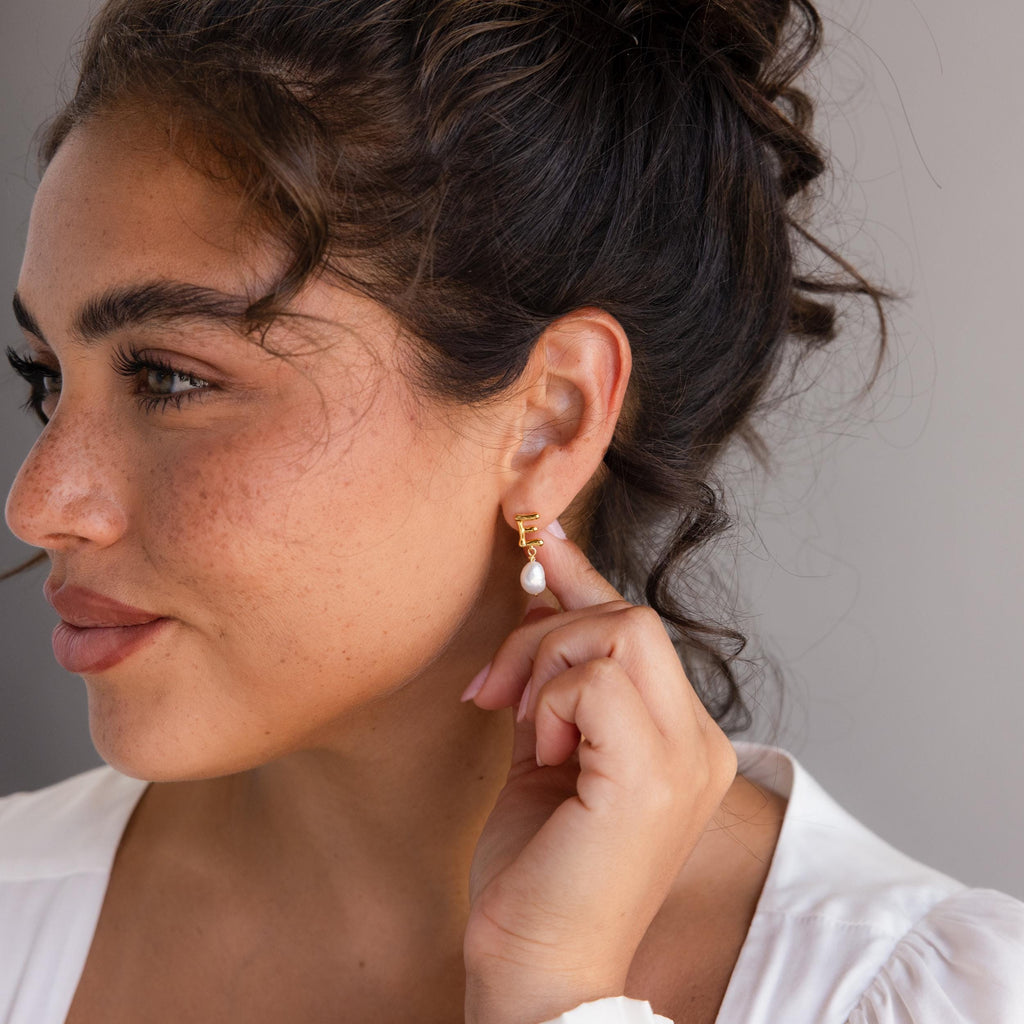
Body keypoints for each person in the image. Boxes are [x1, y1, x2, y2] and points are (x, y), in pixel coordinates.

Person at [0, 1, 1021, 1022]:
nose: (38, 503)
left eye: (169, 379)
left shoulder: (923, 997)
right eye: (46, 380)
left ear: (548, 418)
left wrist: (556, 998)